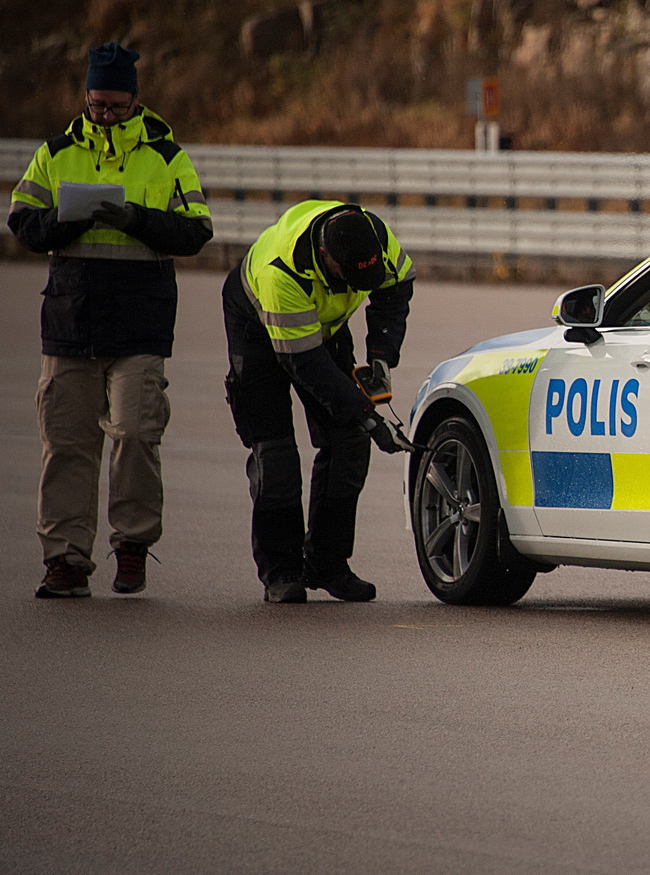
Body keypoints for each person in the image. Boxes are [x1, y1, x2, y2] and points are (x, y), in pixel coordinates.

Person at [7, 41, 213, 598]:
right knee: (67, 446)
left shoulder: (168, 157)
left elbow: (196, 230)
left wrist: (136, 219)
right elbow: (22, 223)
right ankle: (65, 560)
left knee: (136, 435)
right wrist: (65, 223)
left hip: (140, 323)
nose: (105, 115)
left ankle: (132, 546)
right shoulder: (55, 153)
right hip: (70, 322)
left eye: (117, 106)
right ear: (86, 97)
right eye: (98, 104)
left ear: (136, 100)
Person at [222, 200, 415, 603]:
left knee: (348, 444)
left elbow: (395, 290)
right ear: (326, 258)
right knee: (275, 457)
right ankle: (282, 572)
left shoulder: (376, 239)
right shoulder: (282, 273)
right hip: (260, 332)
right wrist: (369, 418)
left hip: (324, 328)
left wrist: (380, 356)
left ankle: (327, 564)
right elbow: (308, 366)